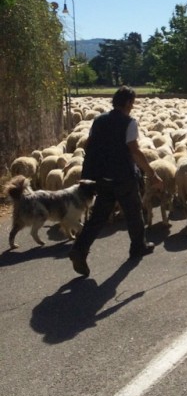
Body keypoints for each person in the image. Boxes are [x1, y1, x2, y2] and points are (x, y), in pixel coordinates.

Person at [69, 86, 163, 277]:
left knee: (99, 216)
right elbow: (134, 150)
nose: (132, 106)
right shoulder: (129, 122)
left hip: (101, 176)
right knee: (134, 211)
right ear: (128, 103)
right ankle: (138, 246)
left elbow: (89, 144)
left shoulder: (99, 120)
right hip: (123, 177)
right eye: (132, 103)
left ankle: (79, 248)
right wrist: (152, 174)